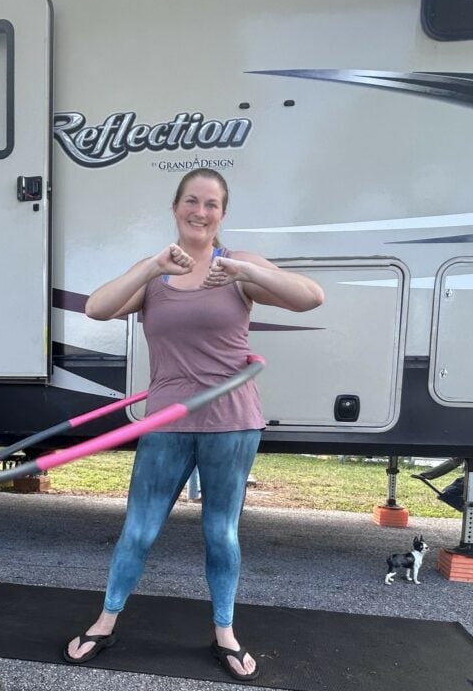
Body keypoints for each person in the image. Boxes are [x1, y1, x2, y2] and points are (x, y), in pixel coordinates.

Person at [65, 168, 324, 681]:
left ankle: (224, 631)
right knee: (138, 530)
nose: (199, 212)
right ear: (175, 207)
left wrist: (246, 275)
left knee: (221, 533)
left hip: (232, 422)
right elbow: (95, 308)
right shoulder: (156, 273)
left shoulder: (239, 266)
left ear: (222, 214)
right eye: (191, 201)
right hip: (166, 421)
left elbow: (310, 296)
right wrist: (149, 269)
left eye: (210, 204)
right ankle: (105, 620)